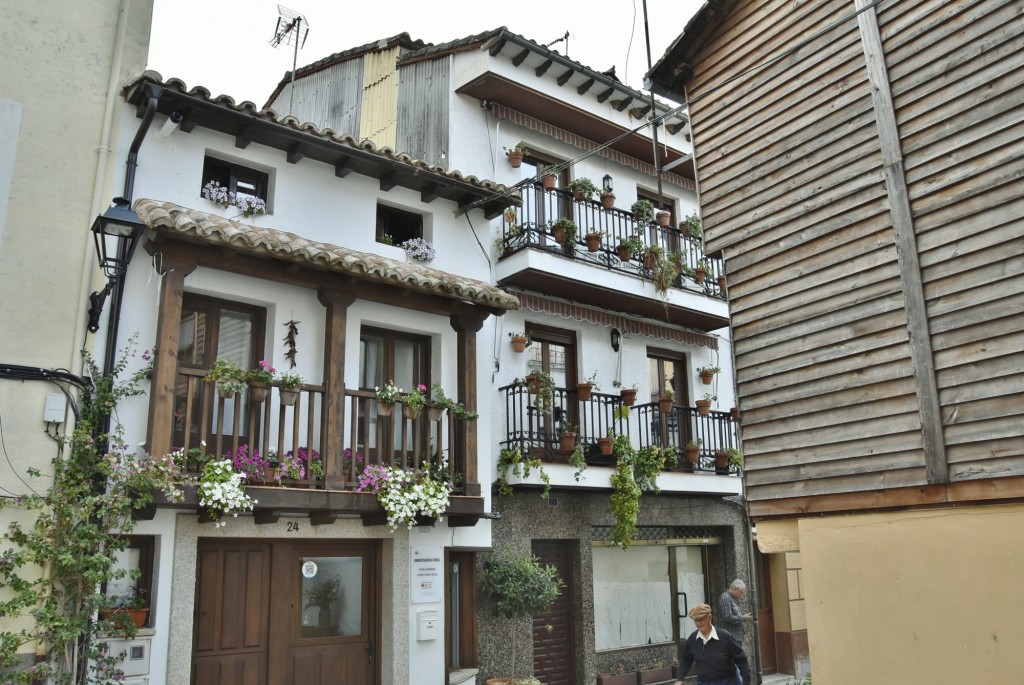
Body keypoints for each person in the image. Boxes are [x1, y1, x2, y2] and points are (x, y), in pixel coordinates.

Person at [676, 603, 750, 685]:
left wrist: (746, 680)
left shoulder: (724, 636)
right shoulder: (693, 638)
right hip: (703, 682)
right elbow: (686, 659)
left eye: (701, 619)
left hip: (728, 681)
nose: (698, 624)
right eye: (696, 620)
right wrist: (680, 678)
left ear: (710, 617)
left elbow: (741, 659)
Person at [717, 579, 753, 644]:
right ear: (735, 589)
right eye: (741, 592)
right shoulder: (725, 597)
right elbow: (727, 617)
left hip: (735, 637)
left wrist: (744, 617)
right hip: (730, 637)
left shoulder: (732, 598)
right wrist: (743, 617)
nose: (741, 595)